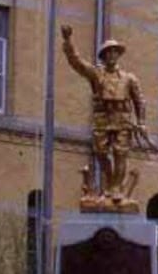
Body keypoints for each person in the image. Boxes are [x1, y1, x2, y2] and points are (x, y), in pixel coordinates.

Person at [61, 24, 149, 209]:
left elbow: (139, 101)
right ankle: (110, 184)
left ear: (118, 55)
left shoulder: (129, 78)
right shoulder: (96, 74)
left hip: (123, 119)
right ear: (103, 56)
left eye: (114, 52)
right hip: (102, 119)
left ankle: (115, 189)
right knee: (101, 153)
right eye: (108, 53)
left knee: (120, 154)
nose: (111, 55)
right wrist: (68, 40)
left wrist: (141, 122)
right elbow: (76, 62)